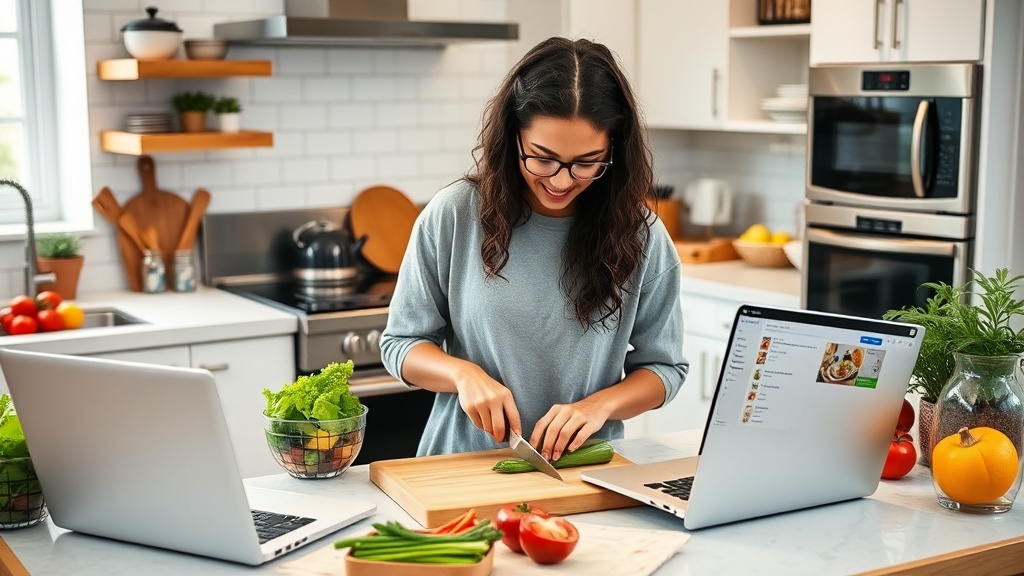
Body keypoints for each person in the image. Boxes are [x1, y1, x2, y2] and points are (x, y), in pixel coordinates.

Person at [379, 37, 687, 461]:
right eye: (542, 158)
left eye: (586, 162)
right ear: (513, 138)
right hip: (457, 465)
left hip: (584, 474)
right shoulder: (455, 215)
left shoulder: (641, 236)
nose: (561, 181)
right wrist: (462, 374)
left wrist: (600, 406)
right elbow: (401, 344)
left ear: (614, 150)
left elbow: (664, 369)